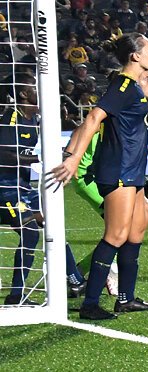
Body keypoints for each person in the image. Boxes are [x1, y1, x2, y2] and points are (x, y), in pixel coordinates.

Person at [50, 34, 148, 319]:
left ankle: (126, 298)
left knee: (138, 227)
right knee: (116, 235)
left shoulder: (133, 88)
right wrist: (74, 158)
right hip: (119, 170)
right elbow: (92, 119)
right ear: (135, 56)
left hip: (132, 171)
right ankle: (89, 304)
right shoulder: (123, 85)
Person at [2, 75, 89, 305]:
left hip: (23, 187)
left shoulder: (35, 119)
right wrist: (40, 158)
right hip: (5, 189)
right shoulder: (12, 117)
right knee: (30, 232)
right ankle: (15, 296)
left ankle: (75, 280)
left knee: (54, 224)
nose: (39, 91)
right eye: (35, 87)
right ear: (23, 94)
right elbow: (4, 155)